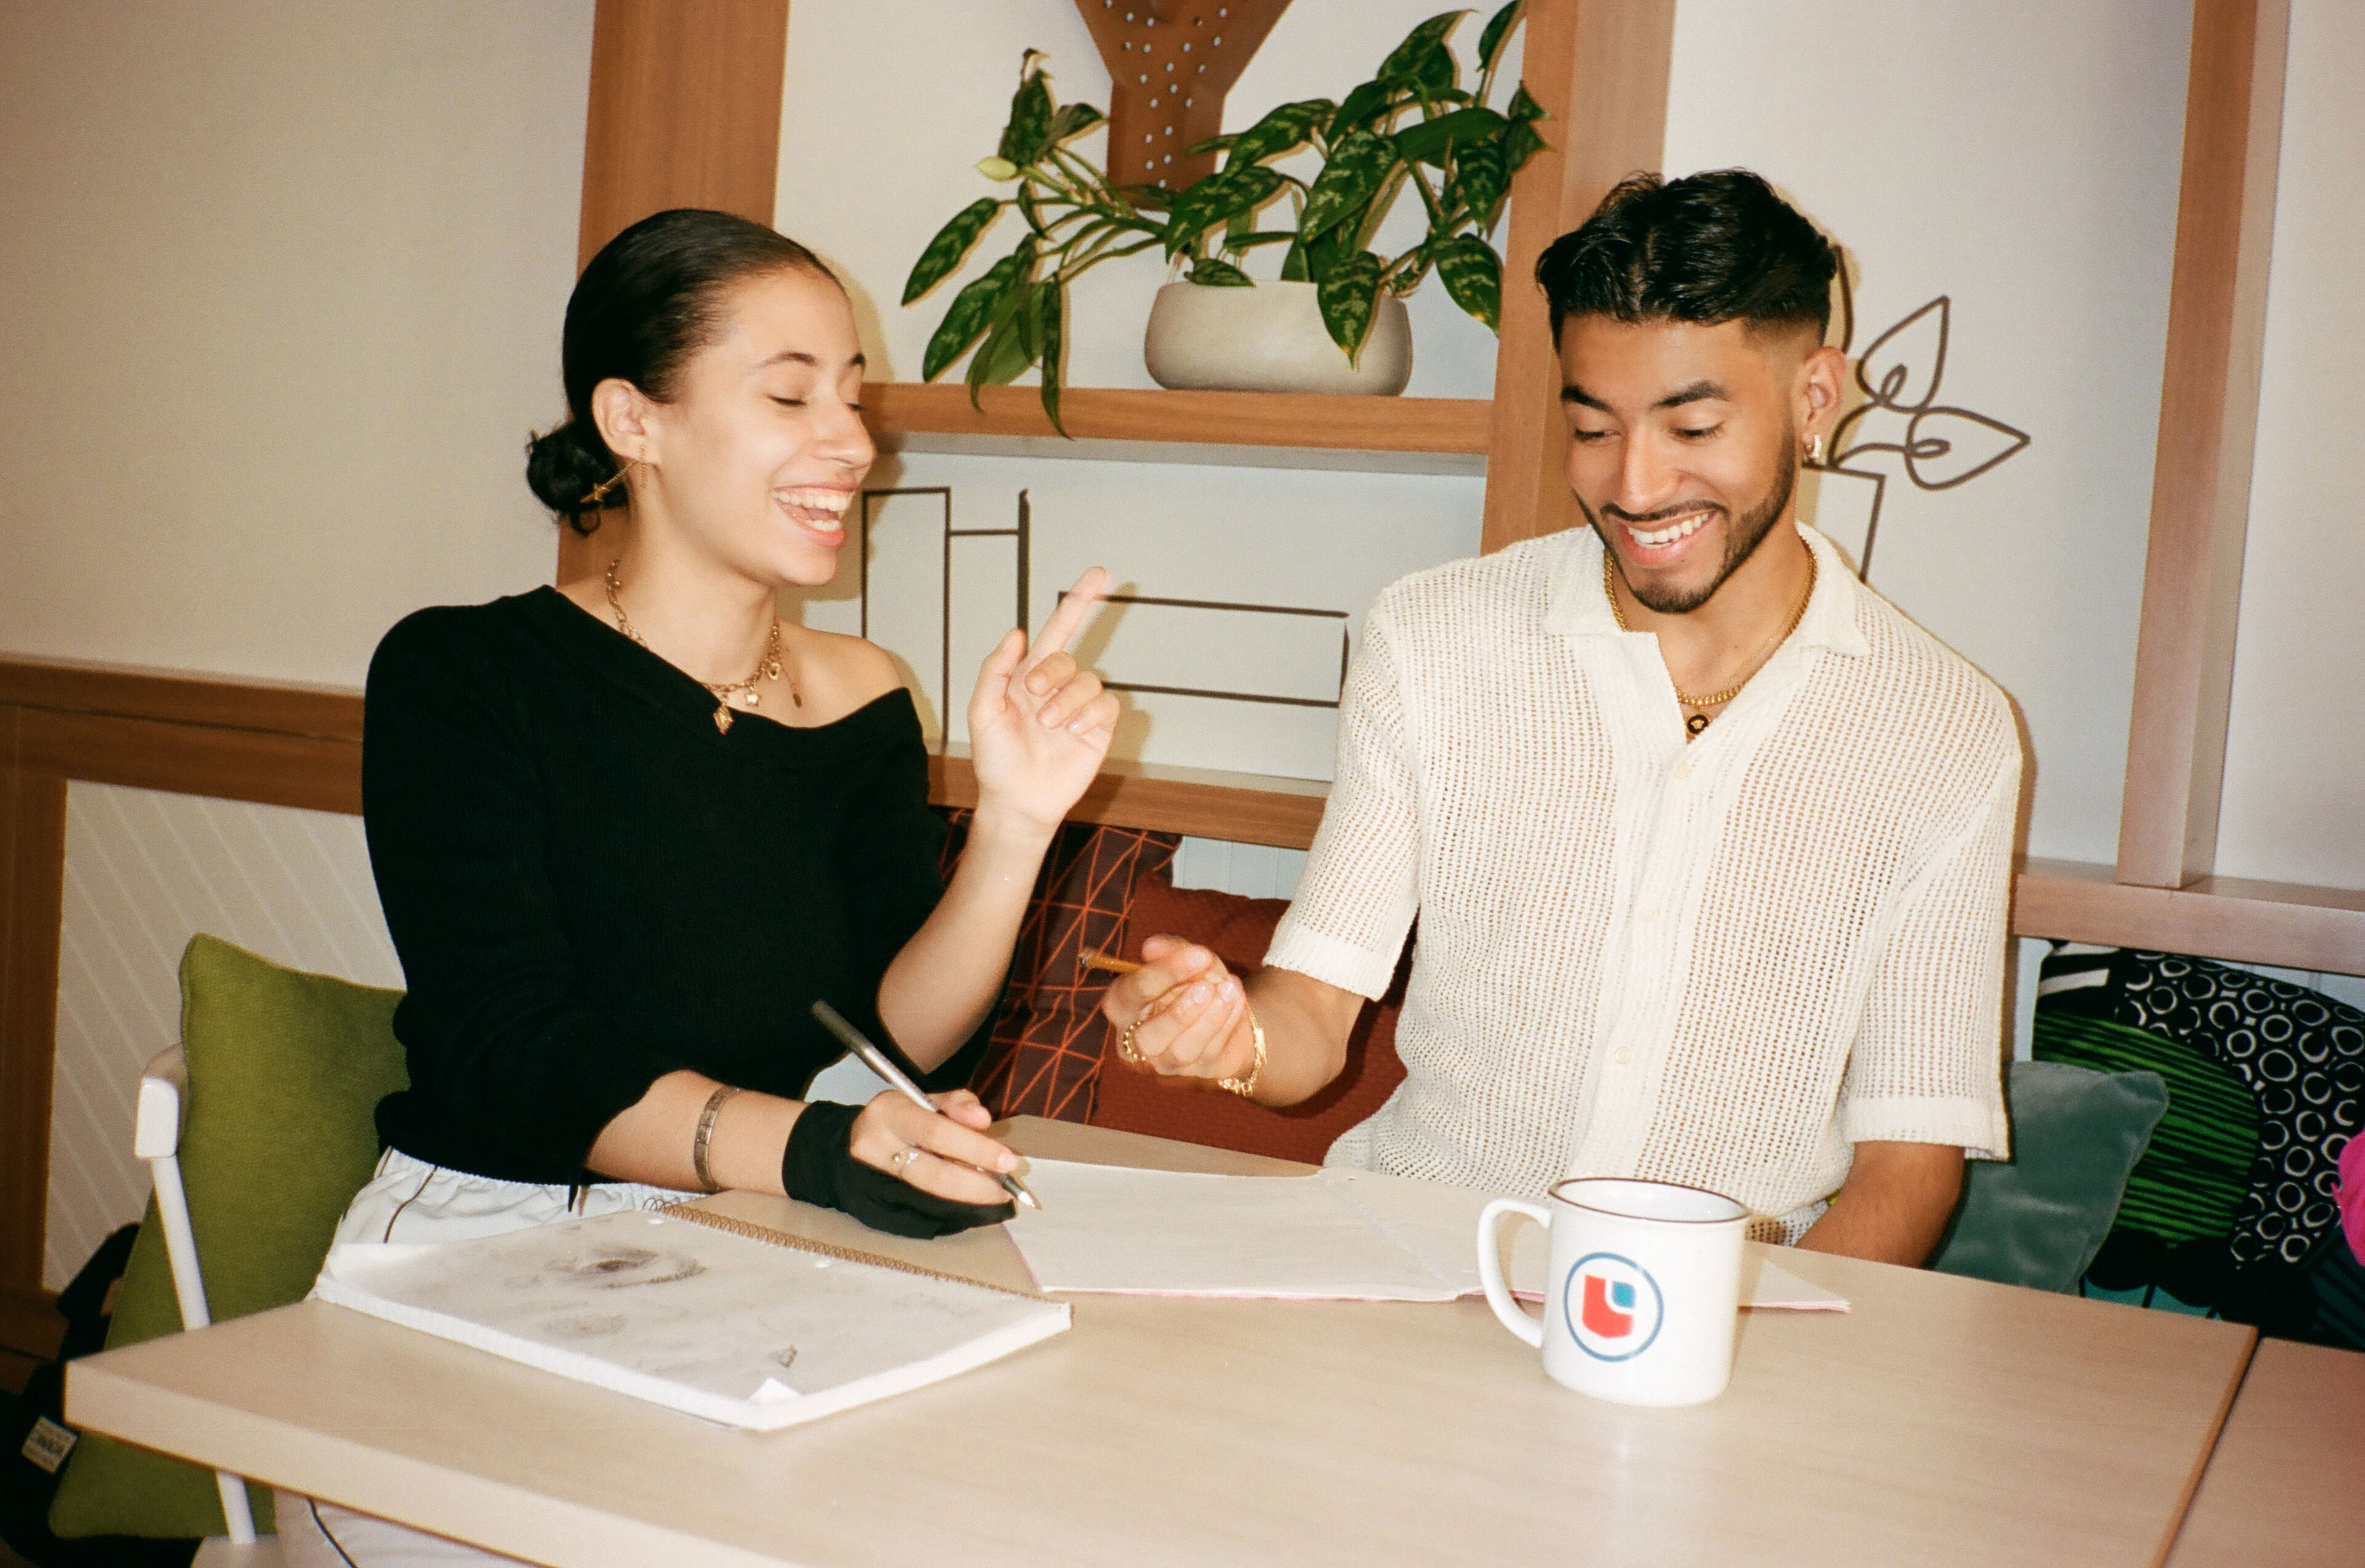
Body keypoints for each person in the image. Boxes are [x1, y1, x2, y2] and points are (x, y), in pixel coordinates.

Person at [277, 208, 1119, 1568]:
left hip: (761, 1240)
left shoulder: (868, 690)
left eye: (853, 395)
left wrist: (1019, 826)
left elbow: (899, 1035)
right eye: (790, 393)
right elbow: (514, 1052)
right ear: (634, 421)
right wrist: (817, 1153)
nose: (852, 441)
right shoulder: (466, 677)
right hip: (493, 1238)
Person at [1102, 170, 2021, 1266]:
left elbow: (1912, 1160)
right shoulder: (1435, 639)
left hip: (1723, 1314)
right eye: (1593, 427)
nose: (1635, 485)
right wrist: (1230, 1039)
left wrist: (1742, 1354)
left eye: (1693, 425)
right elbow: (1307, 1022)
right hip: (1416, 1267)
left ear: (1815, 397)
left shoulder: (1946, 731)